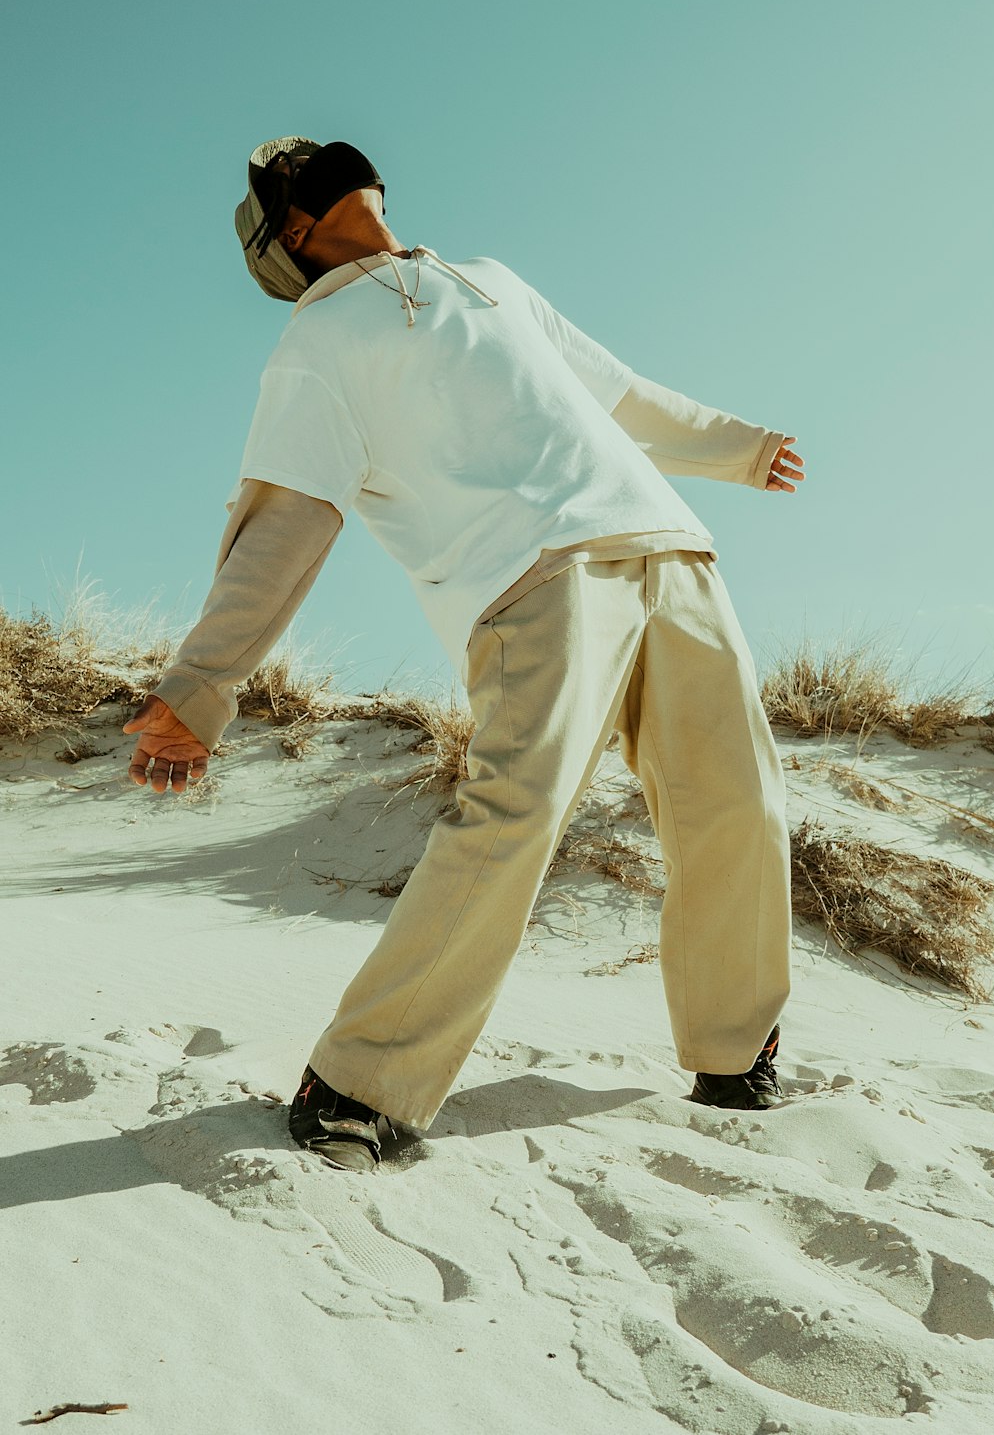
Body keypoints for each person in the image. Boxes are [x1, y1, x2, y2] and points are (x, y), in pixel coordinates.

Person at [123, 134, 806, 1174]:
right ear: (293, 234)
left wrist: (738, 449)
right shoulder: (317, 343)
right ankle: (360, 1080)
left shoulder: (488, 281)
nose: (318, 162)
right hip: (525, 581)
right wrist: (200, 688)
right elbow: (285, 522)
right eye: (293, 177)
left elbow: (612, 394)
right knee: (514, 810)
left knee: (740, 797)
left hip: (668, 547)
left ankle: (731, 1045)